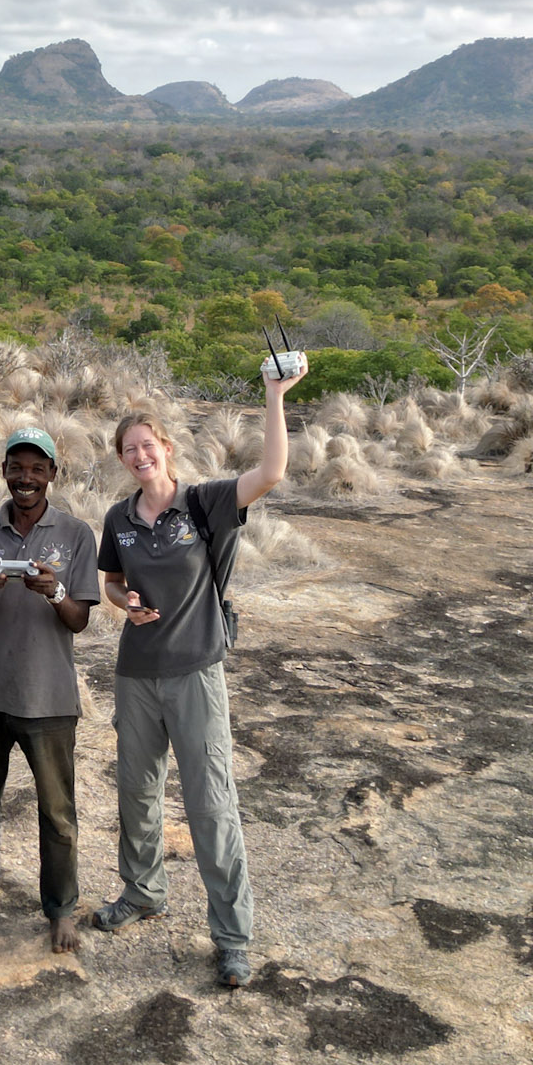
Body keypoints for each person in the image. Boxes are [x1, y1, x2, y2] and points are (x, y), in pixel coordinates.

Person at [91, 361, 306, 989]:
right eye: (129, 450)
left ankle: (232, 937)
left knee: (211, 805)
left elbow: (272, 472)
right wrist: (122, 601)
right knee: (137, 793)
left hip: (195, 674)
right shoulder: (119, 519)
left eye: (147, 446)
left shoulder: (205, 501)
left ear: (167, 449)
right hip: (137, 676)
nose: (139, 456)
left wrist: (273, 396)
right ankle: (142, 892)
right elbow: (110, 581)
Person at [0, 427, 99, 954]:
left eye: (37, 468)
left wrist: (55, 590)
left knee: (57, 811)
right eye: (17, 467)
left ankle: (60, 909)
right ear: (4, 472)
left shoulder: (76, 533)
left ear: (53, 473)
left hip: (49, 695)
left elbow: (78, 622)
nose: (26, 478)